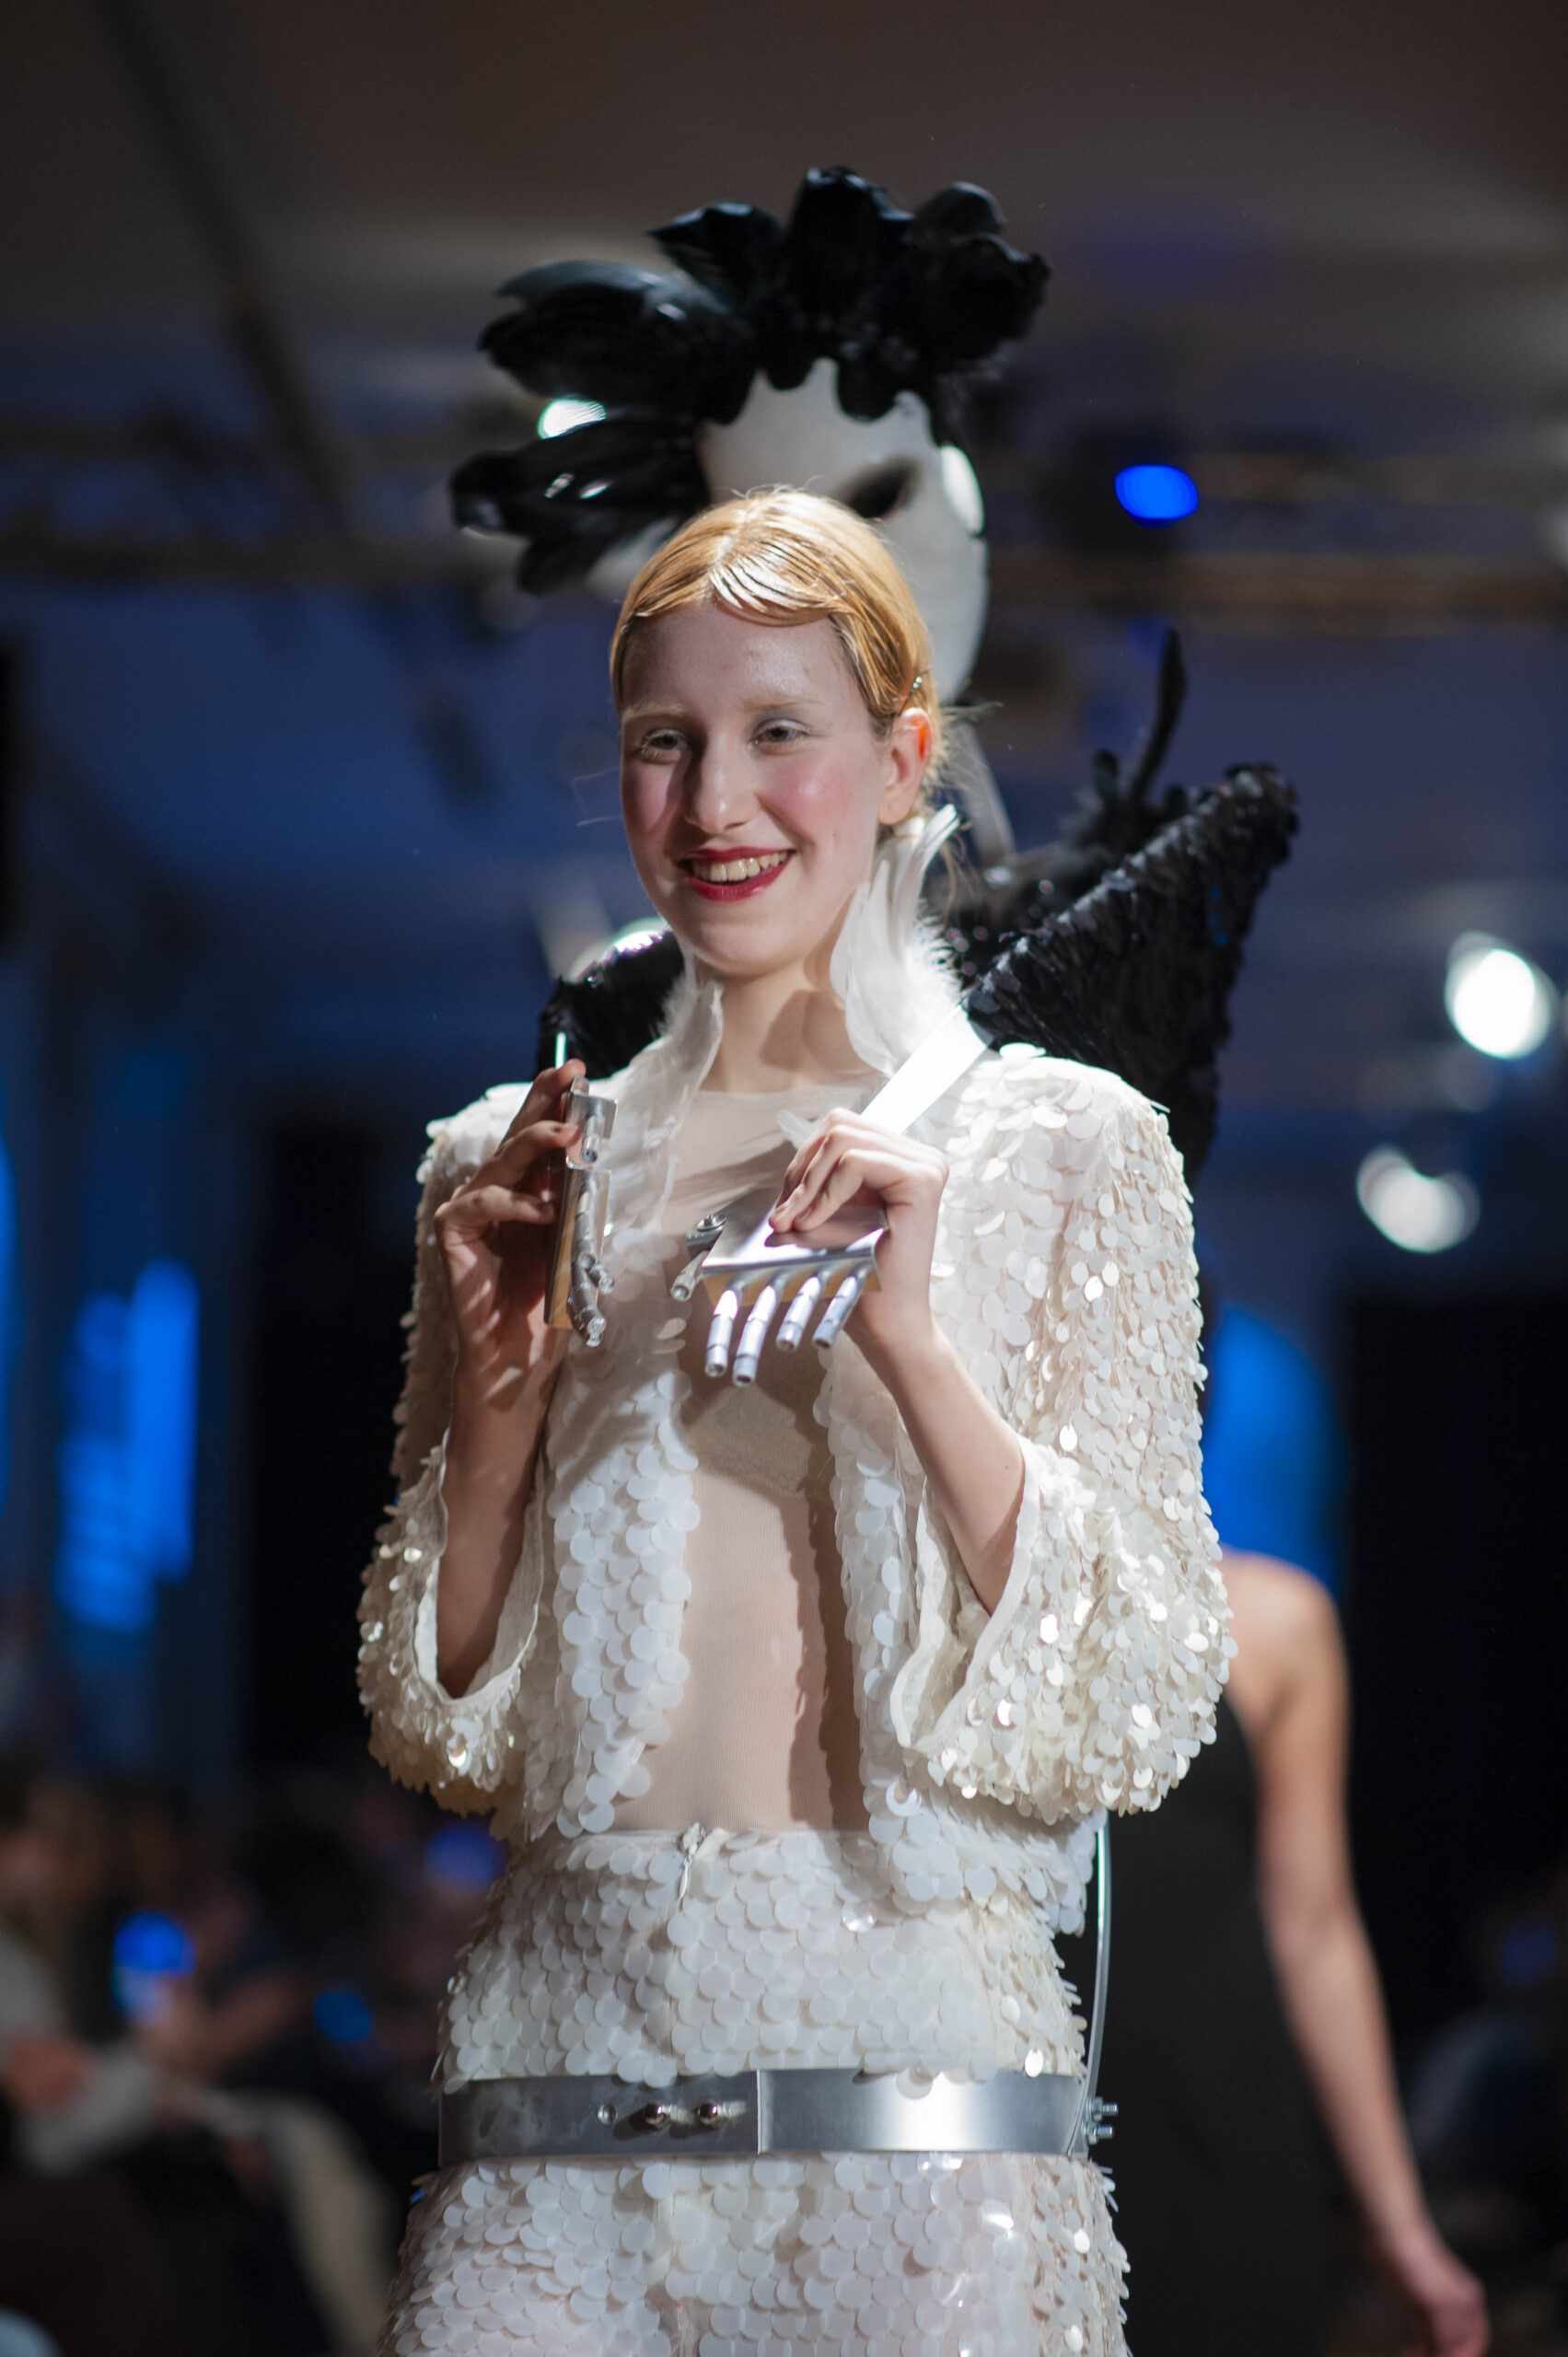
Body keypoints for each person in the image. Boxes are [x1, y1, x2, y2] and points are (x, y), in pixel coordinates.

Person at [358, 489, 1226, 2356]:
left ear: (903, 761)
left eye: (777, 732)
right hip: (552, 2112)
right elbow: (440, 1722)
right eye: (663, 739)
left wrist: (910, 1348)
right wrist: (497, 1419)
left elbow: (1135, 1684)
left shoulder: (1061, 1149)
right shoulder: (506, 1165)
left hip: (916, 2123)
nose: (716, 802)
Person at [1068, 1550, 1487, 2357]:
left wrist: (1400, 2228)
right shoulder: (929, 1593)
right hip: (1003, 2127)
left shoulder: (1271, 1619)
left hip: (1214, 2135)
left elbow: (1313, 1929)